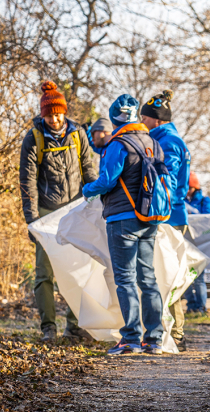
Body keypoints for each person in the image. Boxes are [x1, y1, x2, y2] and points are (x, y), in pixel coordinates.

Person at [82, 94, 165, 355]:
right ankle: (154, 339)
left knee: (126, 279)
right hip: (150, 219)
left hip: (122, 220)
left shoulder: (119, 144)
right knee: (148, 279)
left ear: (115, 118)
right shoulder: (153, 142)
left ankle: (130, 338)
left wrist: (87, 189)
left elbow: (107, 181)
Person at [20, 80, 98, 343]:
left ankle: (74, 326)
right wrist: (32, 219)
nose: (54, 119)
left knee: (79, 269)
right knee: (45, 272)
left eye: (58, 113)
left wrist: (96, 206)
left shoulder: (78, 135)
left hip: (76, 210)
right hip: (46, 213)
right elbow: (27, 181)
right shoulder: (34, 138)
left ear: (64, 112)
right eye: (50, 114)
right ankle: (48, 328)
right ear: (44, 114)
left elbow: (89, 172)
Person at [141, 90, 192, 351]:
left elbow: (167, 181)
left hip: (169, 216)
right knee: (166, 272)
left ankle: (176, 333)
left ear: (156, 120)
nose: (142, 121)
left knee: (168, 274)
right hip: (171, 214)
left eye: (145, 118)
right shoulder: (166, 138)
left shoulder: (168, 141)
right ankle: (174, 331)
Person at [183, 172, 210, 314]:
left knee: (199, 278)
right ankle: (191, 306)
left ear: (195, 188)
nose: (187, 190)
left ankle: (201, 307)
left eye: (190, 188)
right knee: (185, 277)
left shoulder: (204, 201)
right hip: (184, 244)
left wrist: (192, 212)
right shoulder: (180, 200)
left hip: (199, 244)